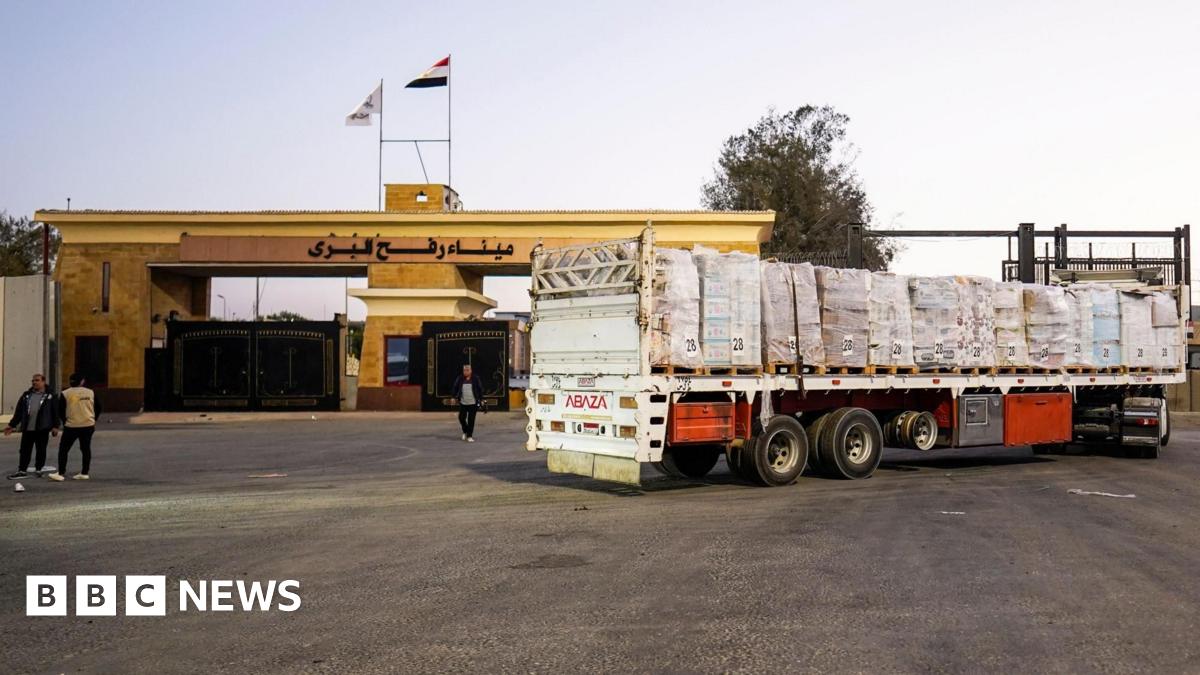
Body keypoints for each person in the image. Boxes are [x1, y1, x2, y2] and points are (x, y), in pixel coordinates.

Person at [47, 373, 101, 482]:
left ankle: (61, 473)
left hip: (72, 426)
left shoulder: (65, 393)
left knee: (64, 449)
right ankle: (84, 472)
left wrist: (65, 421)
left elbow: (60, 410)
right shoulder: (90, 392)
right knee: (85, 448)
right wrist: (93, 419)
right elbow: (99, 407)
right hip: (88, 425)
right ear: (82, 381)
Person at [5, 373, 60, 479]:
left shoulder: (50, 396)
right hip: (28, 428)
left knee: (41, 449)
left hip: (42, 428)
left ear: (43, 382)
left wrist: (55, 426)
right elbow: (19, 412)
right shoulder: (26, 395)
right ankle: (22, 469)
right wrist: (12, 425)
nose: (34, 382)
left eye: (37, 380)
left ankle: (39, 468)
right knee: (24, 450)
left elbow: (55, 412)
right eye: (33, 381)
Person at [450, 363, 485, 442]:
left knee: (471, 420)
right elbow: (455, 387)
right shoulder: (460, 378)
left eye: (467, 370)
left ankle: (469, 436)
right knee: (461, 418)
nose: (465, 372)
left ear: (471, 370)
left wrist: (482, 399)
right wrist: (453, 397)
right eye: (464, 370)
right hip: (463, 403)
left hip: (473, 403)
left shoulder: (475, 378)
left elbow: (480, 389)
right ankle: (465, 431)